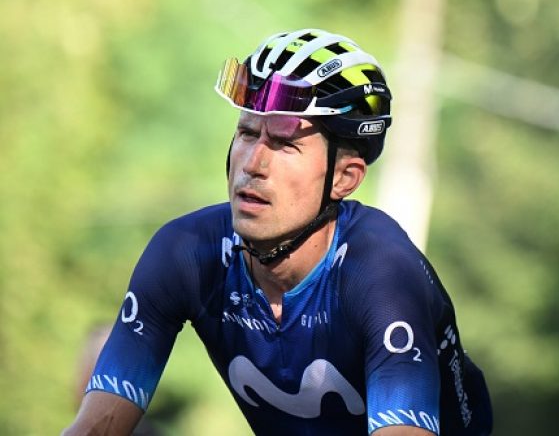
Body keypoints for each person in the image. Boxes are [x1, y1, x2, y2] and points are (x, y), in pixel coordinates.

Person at [63, 28, 493, 435]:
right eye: (247, 132)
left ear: (344, 178)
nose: (253, 163)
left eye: (285, 144)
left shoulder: (382, 274)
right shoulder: (185, 253)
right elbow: (95, 428)